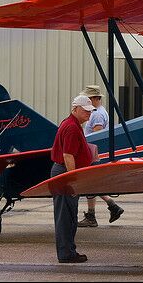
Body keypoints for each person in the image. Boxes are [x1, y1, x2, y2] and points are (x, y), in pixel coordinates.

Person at [50, 94, 95, 263]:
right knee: (66, 217)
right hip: (65, 173)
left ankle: (68, 251)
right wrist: (73, 181)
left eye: (90, 111)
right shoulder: (71, 127)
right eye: (86, 111)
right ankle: (66, 254)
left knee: (68, 215)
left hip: (63, 172)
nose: (89, 114)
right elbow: (68, 155)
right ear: (75, 109)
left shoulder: (70, 124)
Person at [77, 85, 124, 228]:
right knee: (89, 185)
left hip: (91, 153)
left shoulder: (96, 114)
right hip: (92, 152)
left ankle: (104, 209)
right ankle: (104, 209)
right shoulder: (100, 112)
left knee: (89, 184)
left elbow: (97, 137)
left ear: (95, 98)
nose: (87, 101)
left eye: (89, 98)